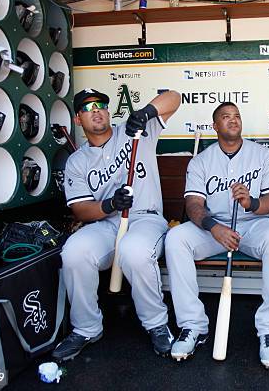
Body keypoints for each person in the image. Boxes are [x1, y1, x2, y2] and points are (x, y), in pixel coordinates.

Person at [52, 88, 181, 361]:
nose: (95, 110)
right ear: (78, 120)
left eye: (100, 104)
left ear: (108, 111)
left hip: (146, 218)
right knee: (74, 252)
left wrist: (146, 113)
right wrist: (109, 205)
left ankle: (156, 324)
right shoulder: (77, 161)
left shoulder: (134, 131)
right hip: (106, 222)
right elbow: (80, 209)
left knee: (134, 251)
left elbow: (174, 97)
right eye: (87, 108)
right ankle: (86, 327)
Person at [165, 102, 269, 368]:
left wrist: (253, 203)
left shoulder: (263, 155)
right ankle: (192, 325)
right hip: (216, 227)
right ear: (215, 126)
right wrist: (213, 227)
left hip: (255, 224)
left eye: (236, 116)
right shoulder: (201, 161)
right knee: (176, 239)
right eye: (225, 117)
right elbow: (194, 205)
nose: (233, 120)